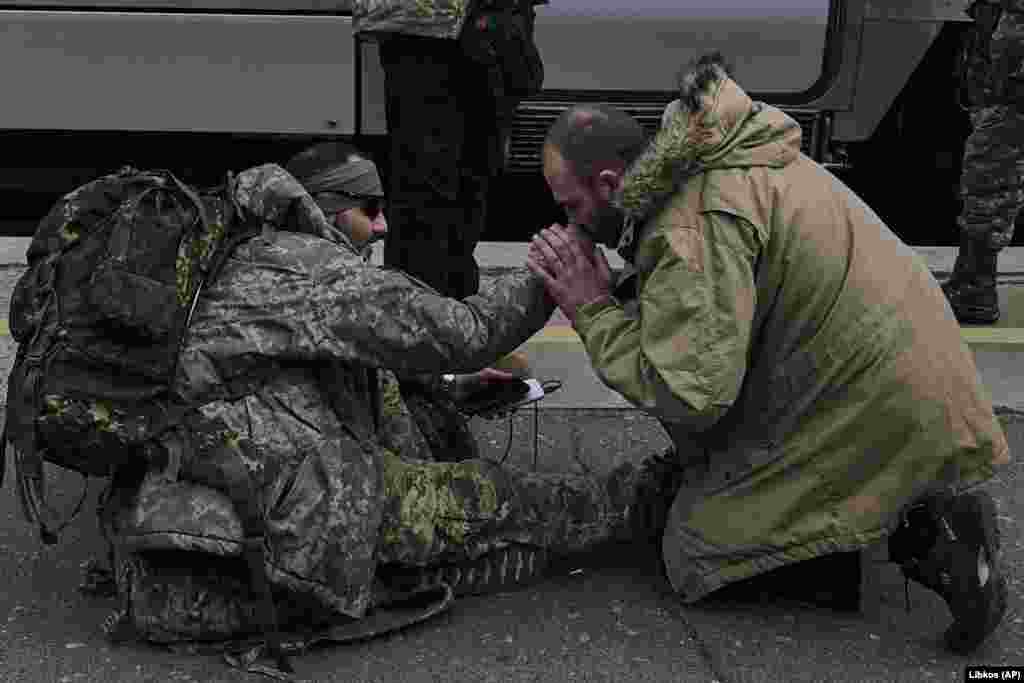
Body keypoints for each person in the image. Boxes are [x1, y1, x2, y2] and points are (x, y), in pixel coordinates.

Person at [526, 54, 1011, 654]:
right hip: (899, 383)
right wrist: (621, 293)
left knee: (689, 548)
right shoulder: (724, 158)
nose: (567, 222)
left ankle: (924, 539)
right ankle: (887, 504)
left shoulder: (688, 227)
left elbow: (692, 394)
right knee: (697, 484)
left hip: (878, 407)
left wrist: (592, 310)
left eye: (570, 206)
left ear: (607, 184)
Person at [104, 142, 653, 659]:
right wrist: (560, 263)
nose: (384, 224)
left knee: (436, 450)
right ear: (327, 208)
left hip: (182, 510)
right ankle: (647, 500)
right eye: (370, 208)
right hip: (258, 528)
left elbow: (320, 369)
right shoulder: (307, 269)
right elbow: (466, 331)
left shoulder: (235, 255)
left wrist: (444, 391)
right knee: (494, 497)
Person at [351, 0, 546, 299]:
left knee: (468, 181)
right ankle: (422, 315)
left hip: (479, 18)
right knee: (430, 185)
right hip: (428, 24)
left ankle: (449, 311)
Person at [942, 0, 1024, 323]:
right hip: (1002, 91)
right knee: (989, 176)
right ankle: (971, 284)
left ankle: (975, 289)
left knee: (989, 178)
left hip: (1009, 97)